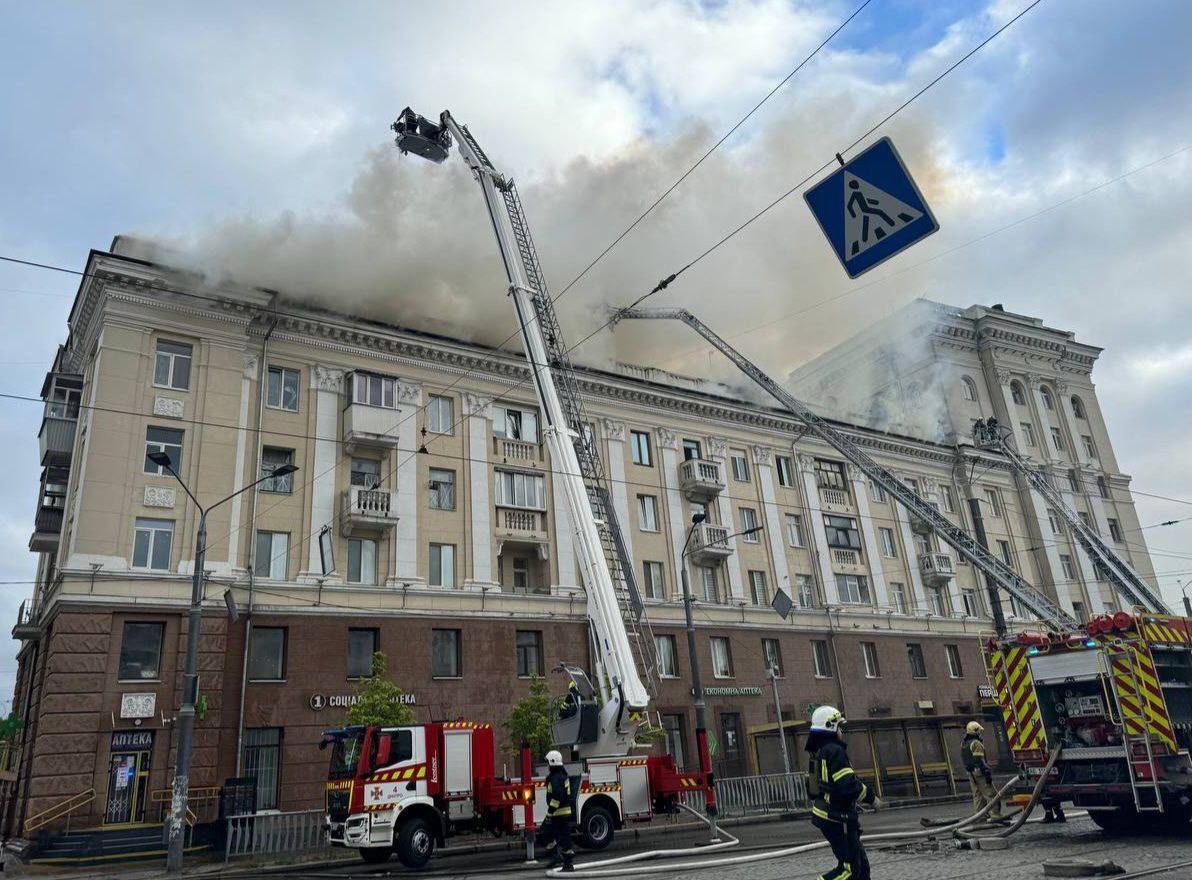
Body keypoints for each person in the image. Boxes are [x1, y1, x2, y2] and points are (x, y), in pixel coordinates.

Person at [806, 705, 881, 880]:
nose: (842, 731)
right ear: (831, 727)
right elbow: (848, 785)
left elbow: (814, 789)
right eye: (840, 727)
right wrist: (872, 799)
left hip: (833, 815)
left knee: (861, 868)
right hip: (838, 818)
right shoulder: (835, 751)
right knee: (849, 871)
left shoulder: (820, 751)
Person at [538, 750, 575, 872]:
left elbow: (556, 797)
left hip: (558, 813)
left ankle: (565, 862)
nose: (547, 766)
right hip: (562, 813)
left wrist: (549, 813)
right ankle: (559, 858)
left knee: (551, 833)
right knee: (559, 836)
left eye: (548, 763)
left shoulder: (555, 778)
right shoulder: (561, 775)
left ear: (552, 762)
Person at [961, 721, 1003, 821]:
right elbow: (979, 760)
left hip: (970, 773)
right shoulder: (976, 743)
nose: (980, 734)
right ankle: (995, 814)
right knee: (992, 794)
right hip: (979, 772)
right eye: (979, 732)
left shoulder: (964, 743)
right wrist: (986, 772)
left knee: (978, 796)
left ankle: (981, 816)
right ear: (975, 732)